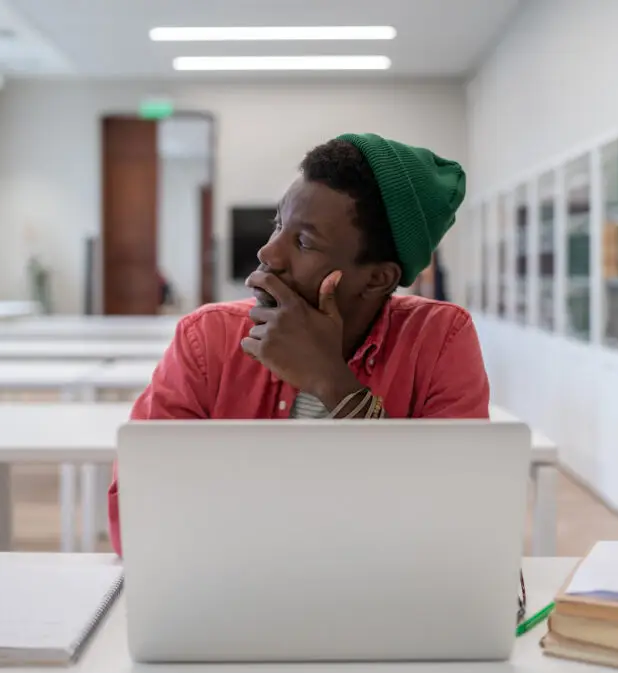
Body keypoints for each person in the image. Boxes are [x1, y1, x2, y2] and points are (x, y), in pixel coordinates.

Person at [107, 133, 491, 554]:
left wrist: (329, 380)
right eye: (278, 224)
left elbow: (459, 521)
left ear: (378, 278)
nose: (268, 253)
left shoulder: (438, 339)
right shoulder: (209, 338)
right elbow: (136, 512)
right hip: (233, 595)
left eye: (304, 242)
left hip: (380, 597)